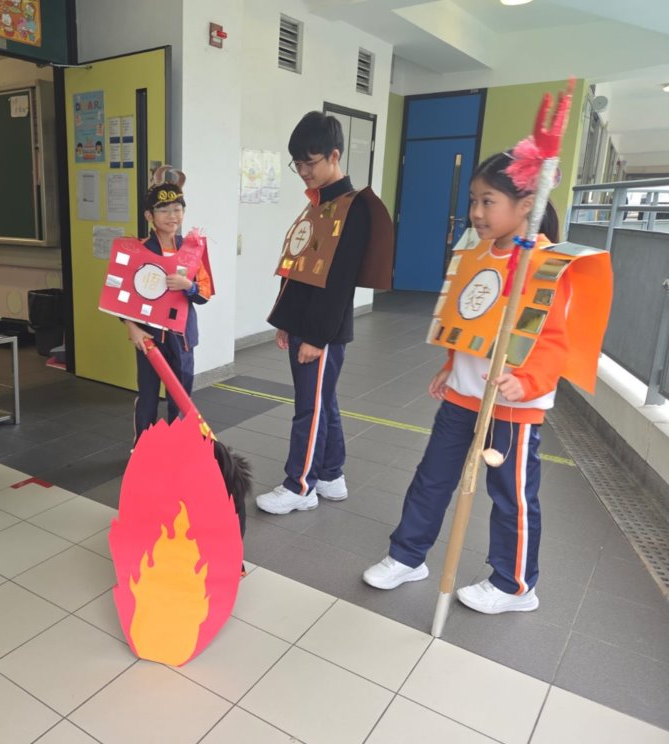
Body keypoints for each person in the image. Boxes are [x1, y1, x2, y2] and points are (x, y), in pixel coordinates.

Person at [363, 149, 612, 614]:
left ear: (525, 205)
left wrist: (529, 381)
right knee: (432, 478)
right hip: (463, 395)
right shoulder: (475, 253)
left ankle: (515, 585)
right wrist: (450, 365)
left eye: (488, 201)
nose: (476, 212)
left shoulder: (546, 263)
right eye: (473, 200)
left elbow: (554, 339)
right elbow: (466, 319)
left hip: (514, 405)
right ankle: (407, 556)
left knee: (511, 496)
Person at [256, 112, 382, 515]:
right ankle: (330, 474)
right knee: (323, 401)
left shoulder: (352, 207)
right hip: (305, 324)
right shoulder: (320, 205)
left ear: (334, 155)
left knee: (309, 409)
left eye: (310, 163)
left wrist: (315, 337)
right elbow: (301, 269)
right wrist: (286, 322)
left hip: (321, 330)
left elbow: (340, 281)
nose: (303, 172)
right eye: (297, 164)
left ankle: (300, 485)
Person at [123, 166, 213, 443]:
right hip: (148, 336)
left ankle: (178, 448)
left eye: (177, 209)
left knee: (181, 397)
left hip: (182, 336)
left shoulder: (192, 249)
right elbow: (121, 296)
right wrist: (132, 328)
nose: (172, 216)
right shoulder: (137, 249)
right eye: (163, 210)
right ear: (149, 216)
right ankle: (143, 447)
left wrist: (189, 286)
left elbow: (205, 293)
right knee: (148, 396)